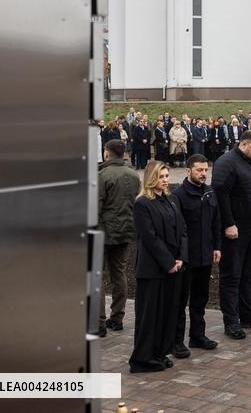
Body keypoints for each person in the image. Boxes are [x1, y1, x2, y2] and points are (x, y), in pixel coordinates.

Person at [213, 129, 251, 339]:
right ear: (243, 145)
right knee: (232, 276)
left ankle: (248, 314)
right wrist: (229, 224)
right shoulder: (227, 162)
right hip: (236, 232)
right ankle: (231, 321)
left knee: (250, 275)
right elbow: (221, 194)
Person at [129, 161, 187, 374]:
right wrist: (169, 262)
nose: (164, 180)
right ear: (151, 178)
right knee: (149, 316)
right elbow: (150, 238)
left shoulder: (171, 199)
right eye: (161, 176)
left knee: (167, 314)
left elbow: (182, 230)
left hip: (174, 267)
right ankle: (144, 358)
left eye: (166, 176)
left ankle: (160, 353)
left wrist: (180, 258)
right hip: (153, 270)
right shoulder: (142, 204)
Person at [171, 154, 221, 356]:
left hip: (205, 255)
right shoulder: (179, 195)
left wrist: (217, 246)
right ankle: (176, 341)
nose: (203, 174)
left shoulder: (209, 192)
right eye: (199, 170)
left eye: (205, 170)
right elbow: (176, 230)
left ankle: (197, 336)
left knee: (200, 298)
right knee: (180, 301)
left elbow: (216, 221)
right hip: (186, 258)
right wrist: (180, 256)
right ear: (188, 170)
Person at [97, 139, 138, 337]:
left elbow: (95, 207)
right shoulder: (133, 175)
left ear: (107, 153)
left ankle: (98, 322)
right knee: (119, 273)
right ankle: (118, 317)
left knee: (97, 276)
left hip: (104, 232)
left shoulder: (103, 175)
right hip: (126, 231)